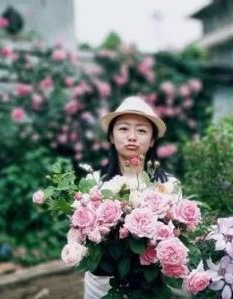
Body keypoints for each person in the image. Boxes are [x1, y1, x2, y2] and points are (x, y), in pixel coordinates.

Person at [84, 96, 187, 299]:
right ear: (111, 137)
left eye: (141, 130)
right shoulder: (95, 182)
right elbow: (80, 232)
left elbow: (177, 235)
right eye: (123, 129)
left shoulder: (169, 186)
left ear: (152, 141)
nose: (132, 136)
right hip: (103, 286)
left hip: (149, 286)